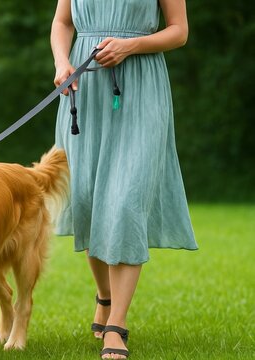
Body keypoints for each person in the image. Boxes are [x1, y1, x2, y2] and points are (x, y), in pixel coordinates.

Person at [51, 0, 198, 358]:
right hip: (83, 91)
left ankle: (117, 323)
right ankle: (104, 295)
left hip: (140, 87)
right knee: (84, 198)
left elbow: (179, 31)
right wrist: (61, 63)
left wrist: (130, 45)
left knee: (125, 201)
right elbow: (61, 22)